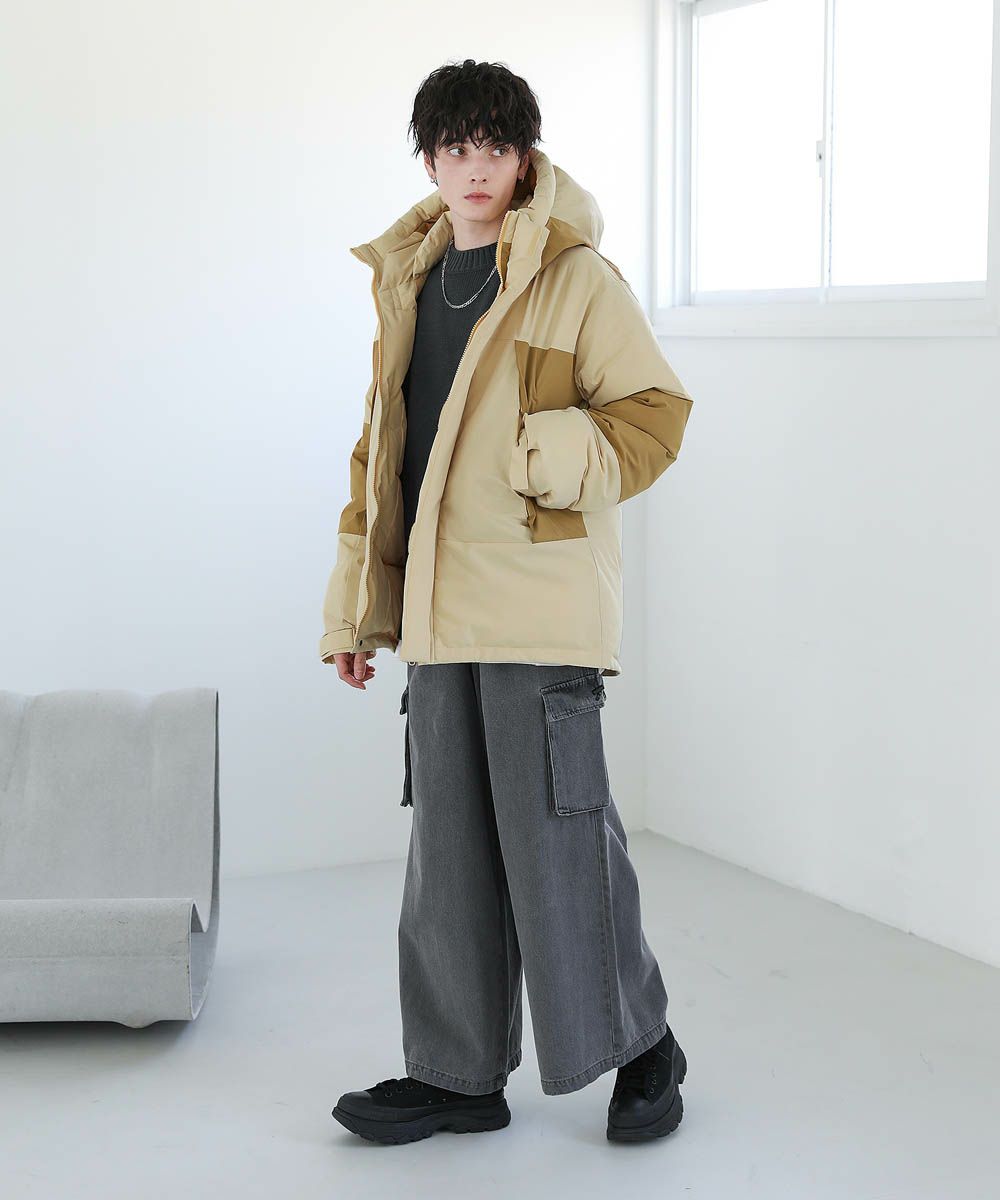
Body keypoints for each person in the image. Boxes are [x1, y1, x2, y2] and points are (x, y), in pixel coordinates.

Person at [321, 59, 693, 1145]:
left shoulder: (575, 277)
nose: (474, 167)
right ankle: (456, 1074)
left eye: (494, 147)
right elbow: (383, 460)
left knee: (560, 841)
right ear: (429, 161)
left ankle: (644, 1047)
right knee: (449, 856)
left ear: (524, 158)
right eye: (455, 148)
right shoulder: (409, 281)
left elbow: (654, 416)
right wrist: (358, 609)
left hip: (538, 603)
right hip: (439, 616)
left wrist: (552, 452)